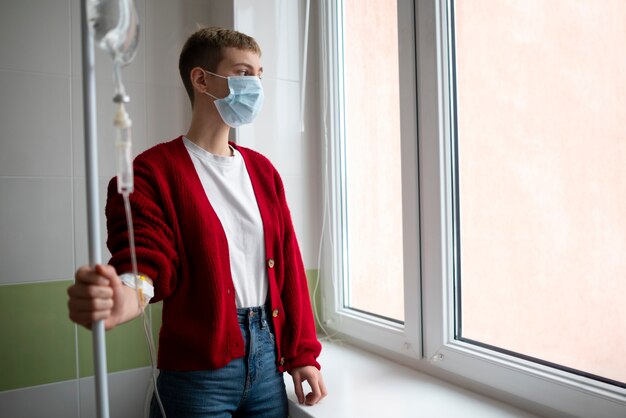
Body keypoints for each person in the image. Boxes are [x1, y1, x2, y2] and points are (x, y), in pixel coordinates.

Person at [68, 26, 327, 418]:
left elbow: (288, 266)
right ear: (202, 79)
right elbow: (144, 259)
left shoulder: (263, 172)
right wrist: (121, 299)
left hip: (268, 366)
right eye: (243, 73)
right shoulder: (153, 171)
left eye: (259, 74)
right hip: (198, 377)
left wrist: (302, 353)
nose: (256, 84)